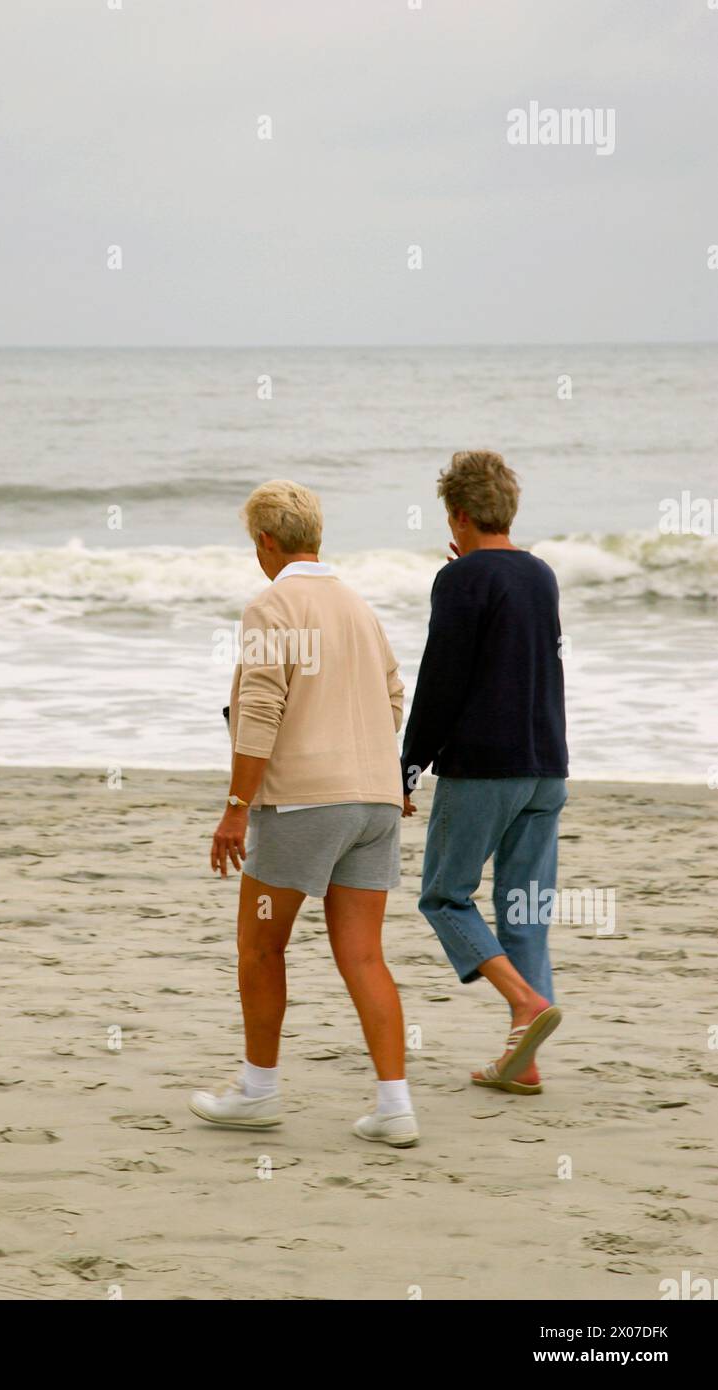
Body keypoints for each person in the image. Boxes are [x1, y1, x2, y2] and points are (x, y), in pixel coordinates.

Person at [190, 480, 418, 1146]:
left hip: (301, 807)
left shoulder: (272, 605)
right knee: (364, 956)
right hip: (373, 803)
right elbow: (392, 696)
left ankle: (257, 1091)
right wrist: (377, 766)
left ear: (265, 541)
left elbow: (260, 709)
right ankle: (394, 1105)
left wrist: (235, 807)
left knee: (261, 946)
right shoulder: (357, 606)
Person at [400, 451, 568, 1094]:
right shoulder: (541, 574)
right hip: (546, 766)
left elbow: (440, 682)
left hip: (485, 767)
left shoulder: (461, 581)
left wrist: (409, 766)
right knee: (523, 908)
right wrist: (469, 578)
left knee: (444, 896)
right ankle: (521, 1062)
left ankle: (525, 1005)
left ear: (459, 514)